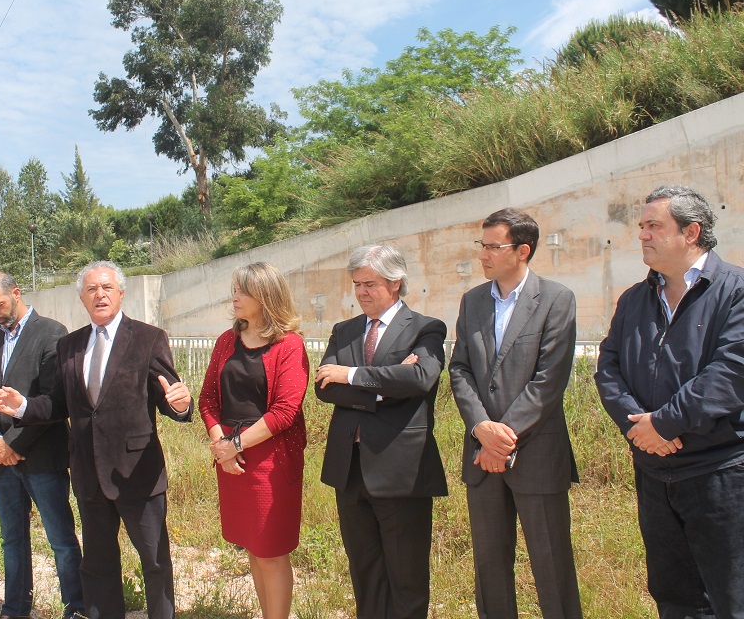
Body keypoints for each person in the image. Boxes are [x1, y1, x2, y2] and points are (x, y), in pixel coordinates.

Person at [0, 260, 193, 619]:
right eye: (91, 289)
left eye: (107, 288)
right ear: (82, 298)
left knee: (155, 561)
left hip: (137, 473)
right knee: (98, 564)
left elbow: (168, 396)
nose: (99, 294)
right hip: (88, 473)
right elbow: (57, 402)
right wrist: (22, 406)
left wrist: (181, 405)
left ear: (120, 293)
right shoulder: (69, 345)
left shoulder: (149, 338)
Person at [596, 185, 744, 619]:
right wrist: (638, 428)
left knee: (731, 596)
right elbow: (609, 369)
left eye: (653, 226)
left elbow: (732, 372)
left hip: (720, 472)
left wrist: (665, 424)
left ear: (691, 232)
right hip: (654, 472)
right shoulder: (634, 299)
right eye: (641, 226)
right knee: (674, 597)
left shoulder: (735, 290)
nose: (642, 234)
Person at [448, 208, 582, 619]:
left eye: (493, 246)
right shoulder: (473, 301)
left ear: (522, 250)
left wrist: (501, 439)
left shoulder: (556, 299)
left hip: (537, 454)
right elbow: (460, 369)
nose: (483, 254)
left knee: (552, 565)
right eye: (482, 245)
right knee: (489, 566)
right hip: (482, 453)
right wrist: (481, 428)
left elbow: (548, 381)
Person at [314, 244, 447, 619]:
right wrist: (387, 387)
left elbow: (421, 378)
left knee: (406, 577)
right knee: (365, 572)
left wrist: (353, 375)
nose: (361, 293)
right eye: (356, 284)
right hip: (349, 468)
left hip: (401, 470)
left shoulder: (426, 328)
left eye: (369, 284)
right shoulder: (345, 330)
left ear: (395, 283)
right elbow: (325, 388)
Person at [0, 271, 84, 619]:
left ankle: (75, 609)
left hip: (42, 458)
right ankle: (16, 608)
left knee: (61, 540)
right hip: (1, 462)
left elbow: (53, 399)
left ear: (16, 293)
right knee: (11, 540)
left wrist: (12, 443)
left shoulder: (52, 333)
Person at [199, 262, 309, 619]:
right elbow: (208, 400)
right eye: (234, 289)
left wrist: (235, 445)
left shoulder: (289, 345)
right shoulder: (225, 341)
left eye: (242, 290)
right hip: (230, 459)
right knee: (252, 547)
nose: (234, 297)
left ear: (265, 297)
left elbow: (284, 412)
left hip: (271, 463)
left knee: (271, 552)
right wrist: (221, 446)